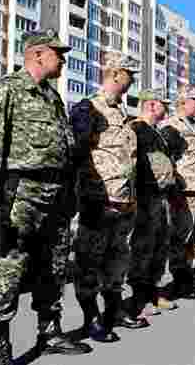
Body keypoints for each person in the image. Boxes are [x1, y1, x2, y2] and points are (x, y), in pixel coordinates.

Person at [0, 29, 91, 365]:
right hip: (20, 196)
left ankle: (49, 332)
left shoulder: (51, 98)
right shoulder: (7, 90)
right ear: (38, 54)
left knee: (53, 267)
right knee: (9, 269)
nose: (63, 59)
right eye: (58, 53)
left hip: (55, 197)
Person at [69, 52, 148, 343]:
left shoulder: (123, 115)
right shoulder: (89, 108)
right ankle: (91, 320)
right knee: (89, 262)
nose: (132, 80)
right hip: (98, 202)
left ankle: (113, 311)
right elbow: (76, 153)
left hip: (125, 202)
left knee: (118, 260)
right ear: (115, 74)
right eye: (129, 74)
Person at [128, 89, 179, 317]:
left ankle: (153, 290)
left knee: (160, 245)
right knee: (143, 247)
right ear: (150, 105)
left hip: (162, 196)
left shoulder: (155, 132)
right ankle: (138, 298)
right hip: (146, 197)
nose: (166, 109)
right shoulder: (136, 129)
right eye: (162, 104)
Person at [160, 86, 195, 297]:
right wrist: (173, 188)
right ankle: (179, 278)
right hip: (182, 190)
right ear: (183, 102)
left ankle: (187, 276)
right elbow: (166, 159)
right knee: (180, 236)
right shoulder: (172, 125)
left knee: (192, 237)